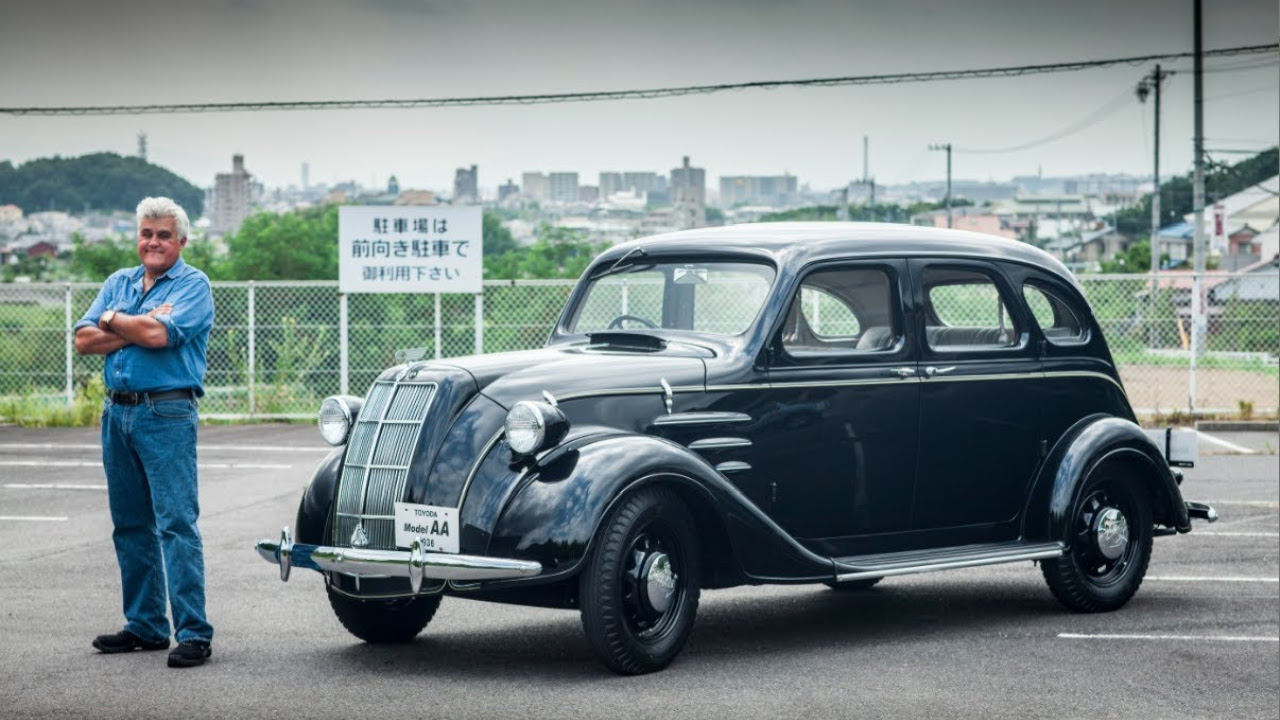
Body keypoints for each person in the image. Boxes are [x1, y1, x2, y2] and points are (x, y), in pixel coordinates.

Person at [74, 197, 215, 668]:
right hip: (118, 413)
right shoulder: (120, 281)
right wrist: (138, 325)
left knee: (176, 523)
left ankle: (193, 633)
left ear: (181, 241)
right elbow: (82, 340)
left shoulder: (194, 284)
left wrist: (113, 319)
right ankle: (146, 625)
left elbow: (159, 337)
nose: (153, 242)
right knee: (131, 524)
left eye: (163, 235)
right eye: (146, 234)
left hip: (166, 413)